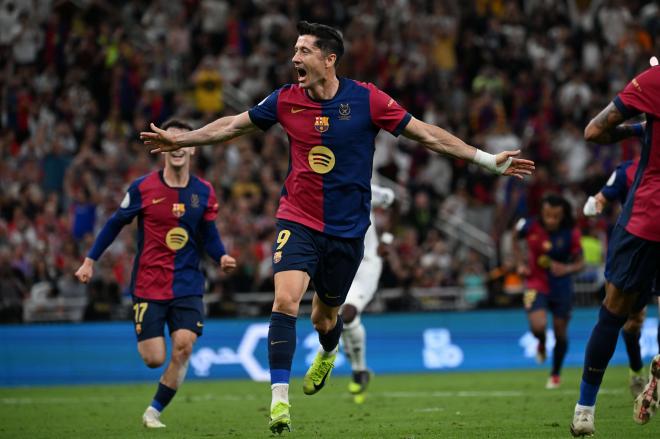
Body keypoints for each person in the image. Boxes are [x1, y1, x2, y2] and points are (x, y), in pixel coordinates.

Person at [140, 21, 534, 434]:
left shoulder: (367, 99)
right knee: (284, 301)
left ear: (329, 60)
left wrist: (487, 160)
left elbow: (426, 136)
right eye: (294, 50)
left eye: (305, 51)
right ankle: (279, 401)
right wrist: (183, 141)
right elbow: (232, 125)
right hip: (298, 219)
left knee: (324, 320)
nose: (295, 58)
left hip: (347, 231)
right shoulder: (285, 100)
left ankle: (329, 351)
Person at [75, 119, 237, 429]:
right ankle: (156, 389)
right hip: (149, 284)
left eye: (183, 140)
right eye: (170, 140)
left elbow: (209, 234)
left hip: (188, 282)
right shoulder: (143, 188)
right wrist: (89, 260)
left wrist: (222, 256)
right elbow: (113, 224)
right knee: (153, 359)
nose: (177, 147)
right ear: (162, 147)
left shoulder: (203, 192)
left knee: (184, 345)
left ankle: (153, 411)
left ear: (192, 147)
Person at [570, 62, 660, 436]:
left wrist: (639, 128)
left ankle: (585, 410)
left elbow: (594, 131)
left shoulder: (655, 80)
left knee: (613, 313)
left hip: (648, 218)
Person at [583, 157, 660, 398]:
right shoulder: (627, 171)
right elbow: (603, 196)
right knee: (633, 320)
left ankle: (655, 381)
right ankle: (636, 369)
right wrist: (595, 204)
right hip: (637, 250)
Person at [513, 194, 584, 390]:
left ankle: (555, 374)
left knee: (561, 332)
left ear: (563, 215)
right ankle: (542, 342)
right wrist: (520, 263)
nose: (550, 219)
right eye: (547, 215)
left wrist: (566, 269)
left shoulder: (571, 232)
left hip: (562, 286)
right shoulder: (529, 226)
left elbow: (581, 263)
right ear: (542, 213)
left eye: (555, 216)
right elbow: (514, 237)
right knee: (538, 326)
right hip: (533, 283)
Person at [340, 183, 395, 404]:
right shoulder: (323, 189)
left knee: (348, 314)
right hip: (340, 263)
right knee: (336, 321)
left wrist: (387, 239)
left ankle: (358, 369)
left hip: (367, 263)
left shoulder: (364, 187)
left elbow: (395, 203)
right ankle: (359, 370)